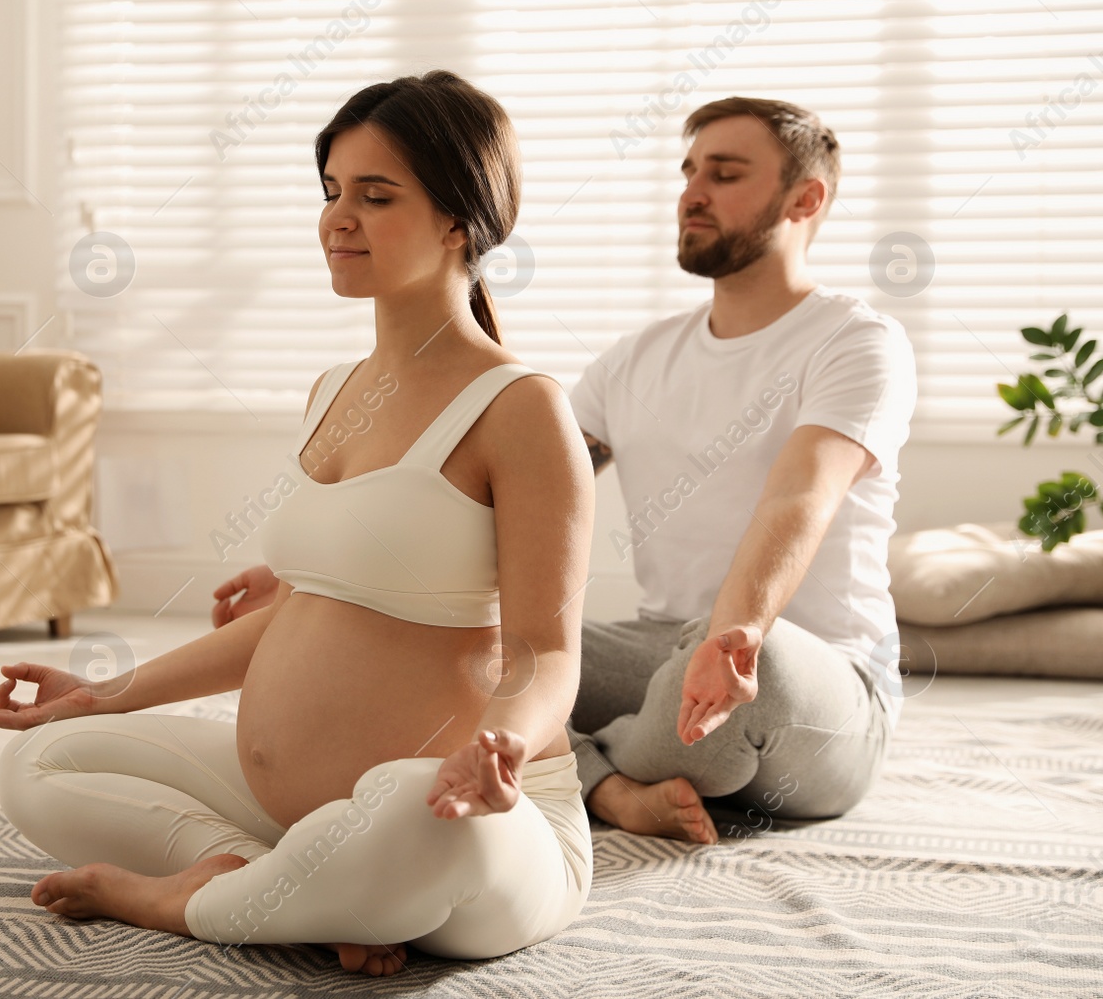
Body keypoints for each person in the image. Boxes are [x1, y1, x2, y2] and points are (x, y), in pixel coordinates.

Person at [0, 70, 598, 976]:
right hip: (291, 805)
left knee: (412, 824)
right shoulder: (332, 392)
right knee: (45, 761)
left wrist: (503, 741)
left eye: (376, 196)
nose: (338, 219)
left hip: (468, 816)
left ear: (461, 221)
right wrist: (106, 692)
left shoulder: (521, 407)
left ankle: (181, 897)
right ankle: (284, 881)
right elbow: (296, 618)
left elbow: (548, 652)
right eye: (332, 192)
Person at [215, 96, 917, 846]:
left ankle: (587, 771)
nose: (693, 192)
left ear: (806, 199)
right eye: (688, 171)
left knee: (762, 676)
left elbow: (800, 496)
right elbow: (495, 492)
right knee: (478, 651)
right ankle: (613, 783)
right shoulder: (639, 358)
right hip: (660, 647)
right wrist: (316, 574)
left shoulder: (856, 342)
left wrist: (738, 632)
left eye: (726, 173)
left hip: (817, 678)